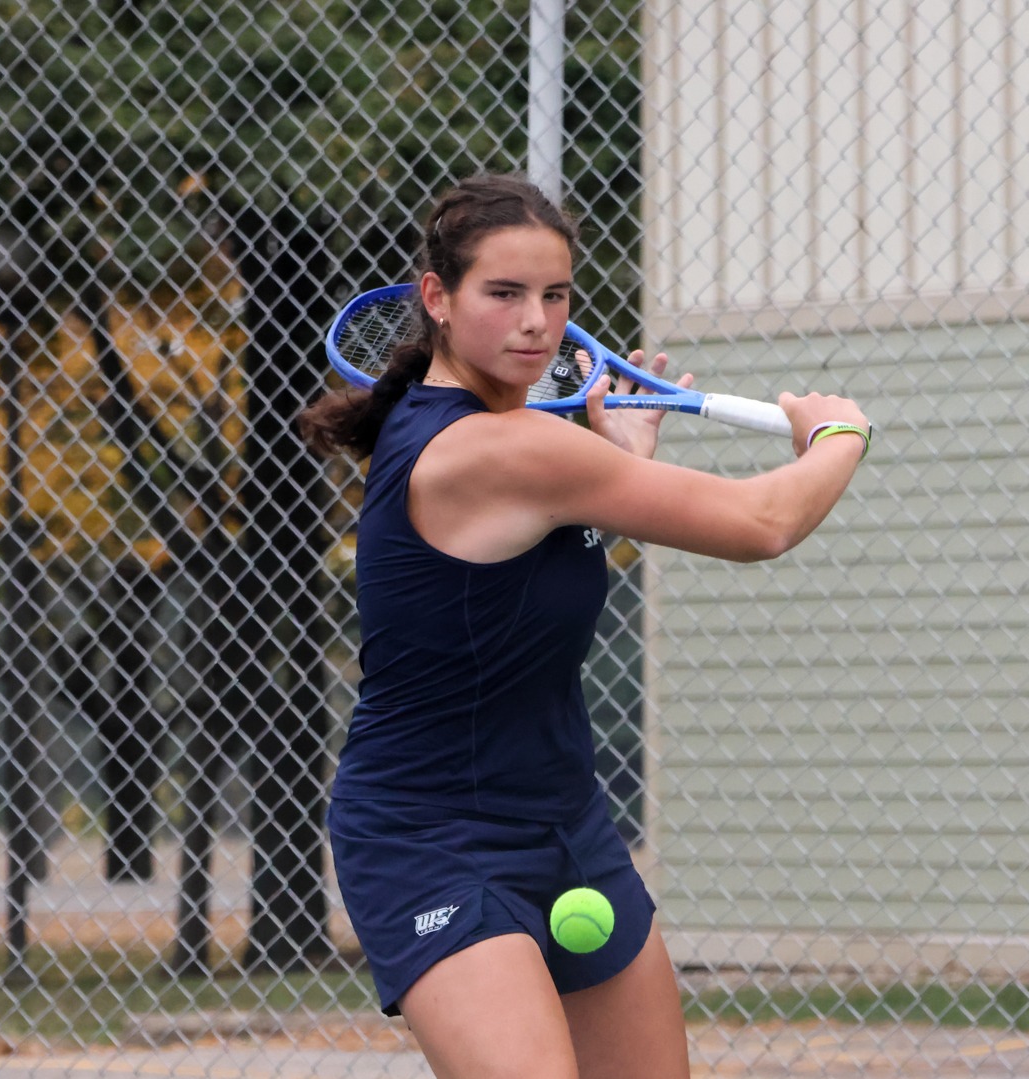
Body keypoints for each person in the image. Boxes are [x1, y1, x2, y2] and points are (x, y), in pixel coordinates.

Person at [299, 173, 869, 1079]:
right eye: (504, 293)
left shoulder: (511, 439)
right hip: (429, 836)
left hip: (563, 822)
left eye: (555, 295)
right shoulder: (499, 444)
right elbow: (762, 525)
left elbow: (514, 584)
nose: (536, 321)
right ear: (436, 300)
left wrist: (620, 466)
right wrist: (836, 435)